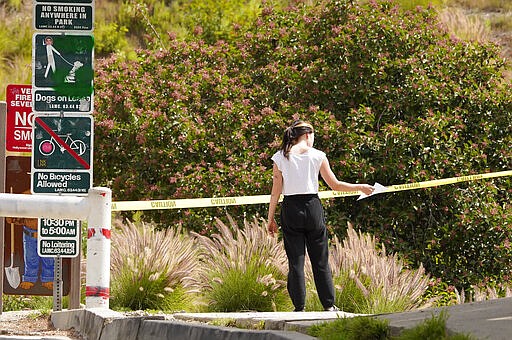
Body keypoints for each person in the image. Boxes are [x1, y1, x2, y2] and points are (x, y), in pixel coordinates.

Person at [266, 120, 374, 312]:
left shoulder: (280, 157)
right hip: (313, 208)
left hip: (291, 208)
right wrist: (361, 187)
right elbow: (336, 185)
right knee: (320, 259)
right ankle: (329, 305)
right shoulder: (318, 156)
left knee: (296, 260)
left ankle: (299, 307)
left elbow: (275, 192)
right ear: (308, 135)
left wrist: (270, 219)